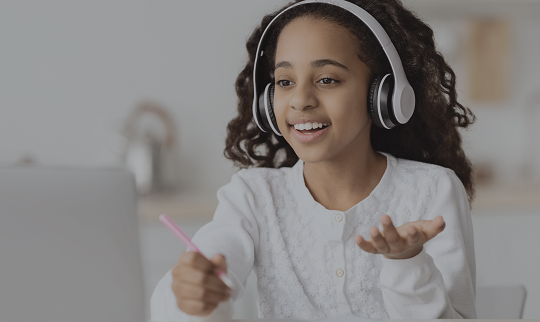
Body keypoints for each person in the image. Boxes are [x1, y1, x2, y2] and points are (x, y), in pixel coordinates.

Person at [151, 0, 477, 320]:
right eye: (285, 82)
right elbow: (199, 282)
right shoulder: (253, 196)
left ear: (382, 95)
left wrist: (408, 262)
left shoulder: (433, 189)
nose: (301, 100)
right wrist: (194, 298)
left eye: (327, 80)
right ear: (268, 101)